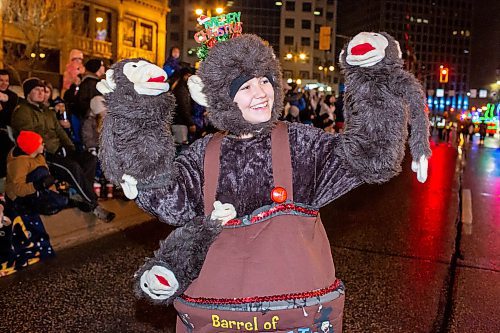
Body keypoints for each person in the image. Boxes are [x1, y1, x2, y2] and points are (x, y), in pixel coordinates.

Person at [98, 32, 431, 332]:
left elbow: (367, 157)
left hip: (293, 314)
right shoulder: (204, 154)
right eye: (244, 87)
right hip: (219, 317)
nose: (260, 94)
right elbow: (164, 196)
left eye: (265, 81)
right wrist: (136, 112)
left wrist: (373, 76)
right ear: (212, 97)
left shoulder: (303, 146)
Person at [10, 78, 115, 222]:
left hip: (60, 150)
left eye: (42, 90)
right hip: (42, 154)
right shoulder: (22, 112)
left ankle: (81, 197)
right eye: (37, 90)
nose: (41, 93)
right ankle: (94, 205)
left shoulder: (47, 111)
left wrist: (71, 149)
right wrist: (50, 150)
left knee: (89, 158)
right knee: (72, 167)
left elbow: (60, 132)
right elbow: (30, 139)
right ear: (28, 93)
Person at [5, 130, 68, 215]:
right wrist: (37, 185)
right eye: (41, 143)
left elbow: (47, 176)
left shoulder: (39, 157)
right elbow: (18, 189)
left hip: (36, 189)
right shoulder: (18, 162)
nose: (43, 145)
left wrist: (53, 190)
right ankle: (34, 206)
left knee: (63, 200)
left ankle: (44, 200)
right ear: (33, 147)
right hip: (19, 197)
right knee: (40, 171)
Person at [0, 69, 19, 179]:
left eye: (6, 80)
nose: (4, 83)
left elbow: (9, 117)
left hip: (6, 135)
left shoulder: (13, 96)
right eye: (1, 80)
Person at [171, 67, 195, 147]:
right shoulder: (181, 90)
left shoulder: (179, 87)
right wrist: (190, 123)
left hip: (179, 122)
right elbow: (184, 107)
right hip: (180, 123)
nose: (189, 78)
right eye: (187, 75)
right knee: (182, 147)